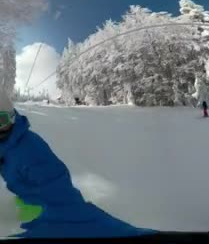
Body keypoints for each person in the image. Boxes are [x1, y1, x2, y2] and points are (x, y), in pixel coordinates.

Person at [0, 90, 154, 238]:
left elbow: (58, 190)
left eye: (1, 120)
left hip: (43, 209)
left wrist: (55, 219)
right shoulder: (6, 143)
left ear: (12, 118)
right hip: (25, 199)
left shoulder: (29, 150)